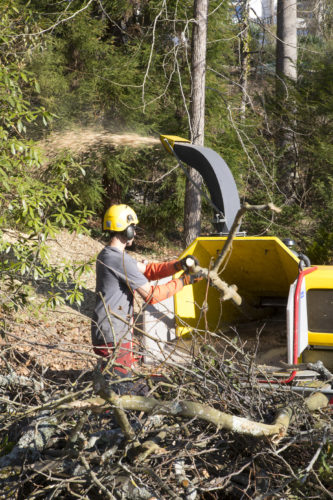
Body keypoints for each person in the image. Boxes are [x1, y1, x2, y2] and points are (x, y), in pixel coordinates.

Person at [91, 204, 201, 376]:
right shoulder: (119, 260)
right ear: (125, 229)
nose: (134, 233)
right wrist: (184, 281)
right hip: (114, 335)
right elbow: (153, 296)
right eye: (133, 228)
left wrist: (178, 265)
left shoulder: (110, 255)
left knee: (112, 379)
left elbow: (149, 270)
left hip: (109, 331)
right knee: (122, 385)